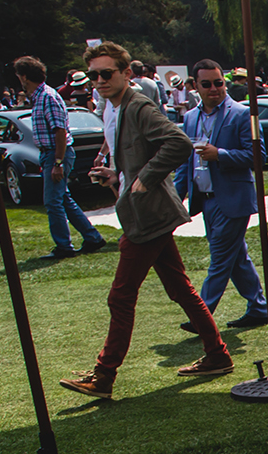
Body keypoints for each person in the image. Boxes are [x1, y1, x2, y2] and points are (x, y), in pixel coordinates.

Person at [59, 42, 232, 398]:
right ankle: (217, 354)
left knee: (120, 297)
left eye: (107, 73)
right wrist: (117, 174)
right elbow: (135, 156)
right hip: (144, 211)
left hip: (149, 214)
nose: (100, 80)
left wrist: (146, 176)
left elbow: (178, 143)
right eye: (94, 75)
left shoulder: (138, 105)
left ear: (126, 73)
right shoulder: (113, 107)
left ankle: (104, 375)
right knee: (180, 288)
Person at [172, 59, 268, 331]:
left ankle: (201, 315)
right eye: (207, 84)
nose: (214, 89)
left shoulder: (243, 114)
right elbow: (185, 163)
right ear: (195, 86)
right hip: (206, 200)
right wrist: (176, 197)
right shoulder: (190, 118)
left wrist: (221, 155)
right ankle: (259, 307)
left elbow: (257, 156)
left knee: (219, 259)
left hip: (234, 199)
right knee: (236, 258)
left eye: (219, 83)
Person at [12, 56, 108, 260]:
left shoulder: (47, 96)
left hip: (56, 153)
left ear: (25, 76)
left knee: (52, 202)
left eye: (20, 76)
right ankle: (92, 238)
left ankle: (64, 246)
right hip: (50, 153)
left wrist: (57, 162)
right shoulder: (39, 96)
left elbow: (60, 131)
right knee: (63, 199)